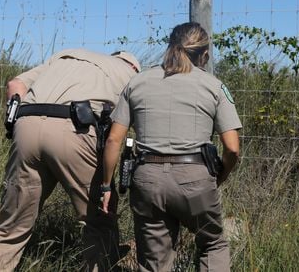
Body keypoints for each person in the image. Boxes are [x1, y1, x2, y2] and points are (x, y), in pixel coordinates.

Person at [0, 48, 141, 272]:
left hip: (26, 124)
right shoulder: (131, 75)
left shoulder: (66, 56)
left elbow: (14, 85)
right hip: (76, 130)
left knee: (10, 229)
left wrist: (15, 123)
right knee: (98, 222)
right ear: (134, 66)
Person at [100, 22, 242, 271]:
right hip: (195, 183)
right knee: (213, 244)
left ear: (170, 47)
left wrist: (105, 185)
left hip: (148, 184)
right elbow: (232, 148)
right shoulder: (214, 86)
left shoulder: (137, 83)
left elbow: (113, 140)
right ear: (205, 54)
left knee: (155, 260)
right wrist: (219, 177)